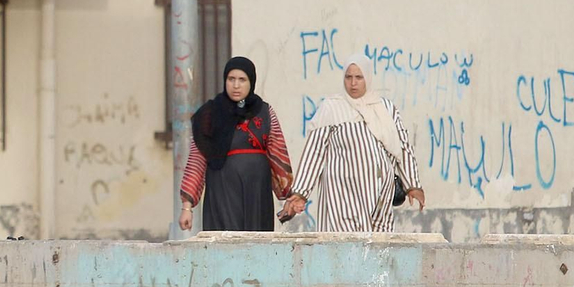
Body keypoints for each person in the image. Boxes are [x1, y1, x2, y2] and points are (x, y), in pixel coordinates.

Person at [281, 53, 426, 231]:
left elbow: (403, 147)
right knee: (345, 244)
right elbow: (314, 152)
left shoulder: (385, 108)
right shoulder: (332, 108)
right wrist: (300, 193)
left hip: (379, 198)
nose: (353, 83)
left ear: (368, 78)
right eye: (348, 77)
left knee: (378, 245)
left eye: (359, 77)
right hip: (342, 197)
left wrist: (412, 185)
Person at [179, 56, 294, 232]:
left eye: (242, 79)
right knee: (225, 240)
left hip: (257, 192)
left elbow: (278, 154)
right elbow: (197, 160)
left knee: (257, 242)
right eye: (231, 79)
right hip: (222, 191)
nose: (236, 85)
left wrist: (290, 198)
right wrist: (187, 207)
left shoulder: (265, 111)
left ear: (251, 82)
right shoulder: (209, 114)